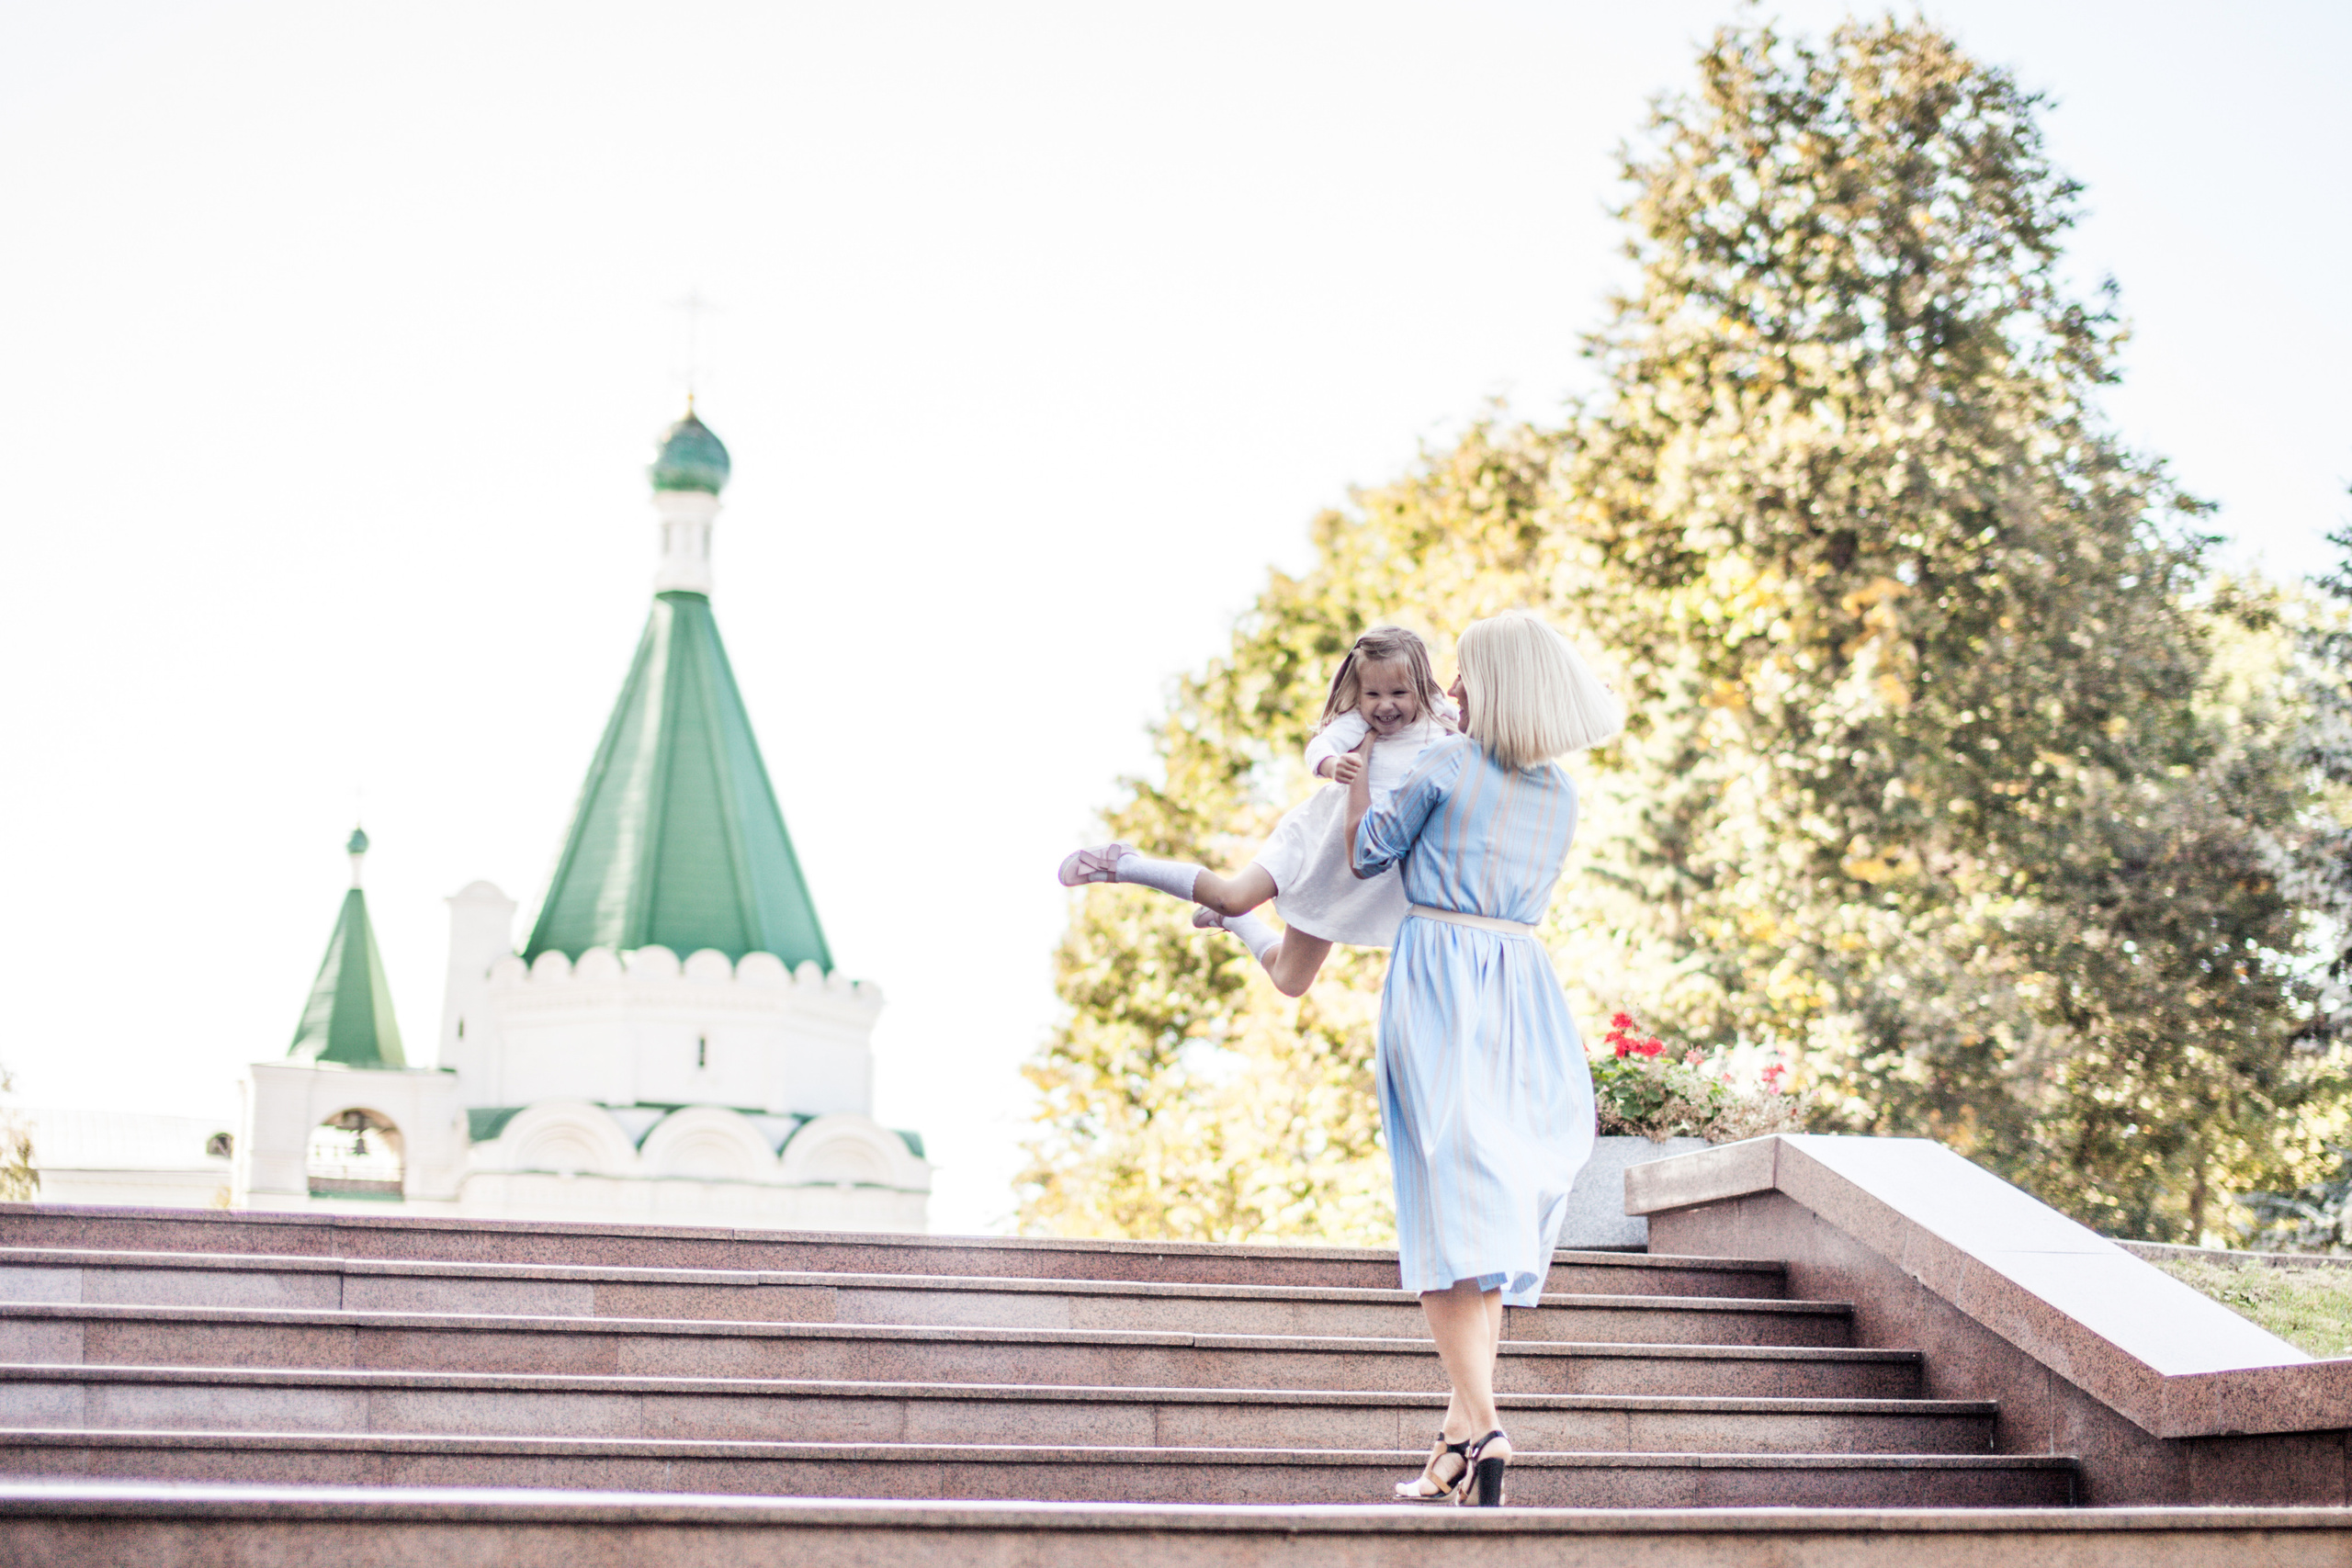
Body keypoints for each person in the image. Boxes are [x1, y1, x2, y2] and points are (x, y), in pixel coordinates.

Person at [1344, 610, 1623, 1506]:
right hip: (1522, 986)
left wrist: (1353, 781)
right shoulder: (1561, 793)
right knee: (1485, 1214)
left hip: (1437, 976)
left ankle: (1487, 1424)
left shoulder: (1445, 764)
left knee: (1442, 1211)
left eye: (1462, 677)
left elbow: (1366, 856)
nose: (1448, 691)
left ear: (1495, 684)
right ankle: (1457, 1443)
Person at [1057, 626, 1458, 996]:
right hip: (1323, 842)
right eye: (1373, 694)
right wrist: (1332, 765)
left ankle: (1237, 926)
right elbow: (1320, 746)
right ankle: (1123, 864)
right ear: (1360, 692)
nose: (1385, 705)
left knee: (1290, 981)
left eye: (1398, 694)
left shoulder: (1440, 719)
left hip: (1374, 864)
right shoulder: (1356, 724)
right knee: (1232, 897)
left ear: (1420, 687)